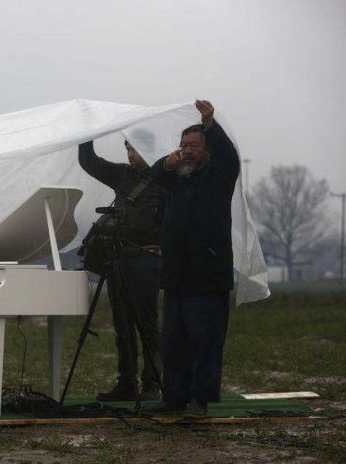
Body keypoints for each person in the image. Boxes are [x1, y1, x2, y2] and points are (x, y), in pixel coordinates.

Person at [145, 100, 240, 419]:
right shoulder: (178, 177)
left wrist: (210, 121)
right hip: (176, 277)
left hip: (206, 276)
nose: (187, 150)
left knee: (205, 342)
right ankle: (174, 397)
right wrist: (167, 161)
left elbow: (230, 156)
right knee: (173, 343)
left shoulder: (218, 174)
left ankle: (201, 400)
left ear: (207, 149)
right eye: (183, 145)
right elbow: (156, 173)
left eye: (194, 145)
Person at [78, 135, 167, 401]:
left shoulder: (165, 179)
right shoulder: (121, 175)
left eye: (135, 149)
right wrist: (86, 135)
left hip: (146, 259)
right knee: (122, 325)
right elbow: (89, 162)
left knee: (146, 324)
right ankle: (127, 383)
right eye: (127, 148)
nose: (130, 154)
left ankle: (151, 384)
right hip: (118, 258)